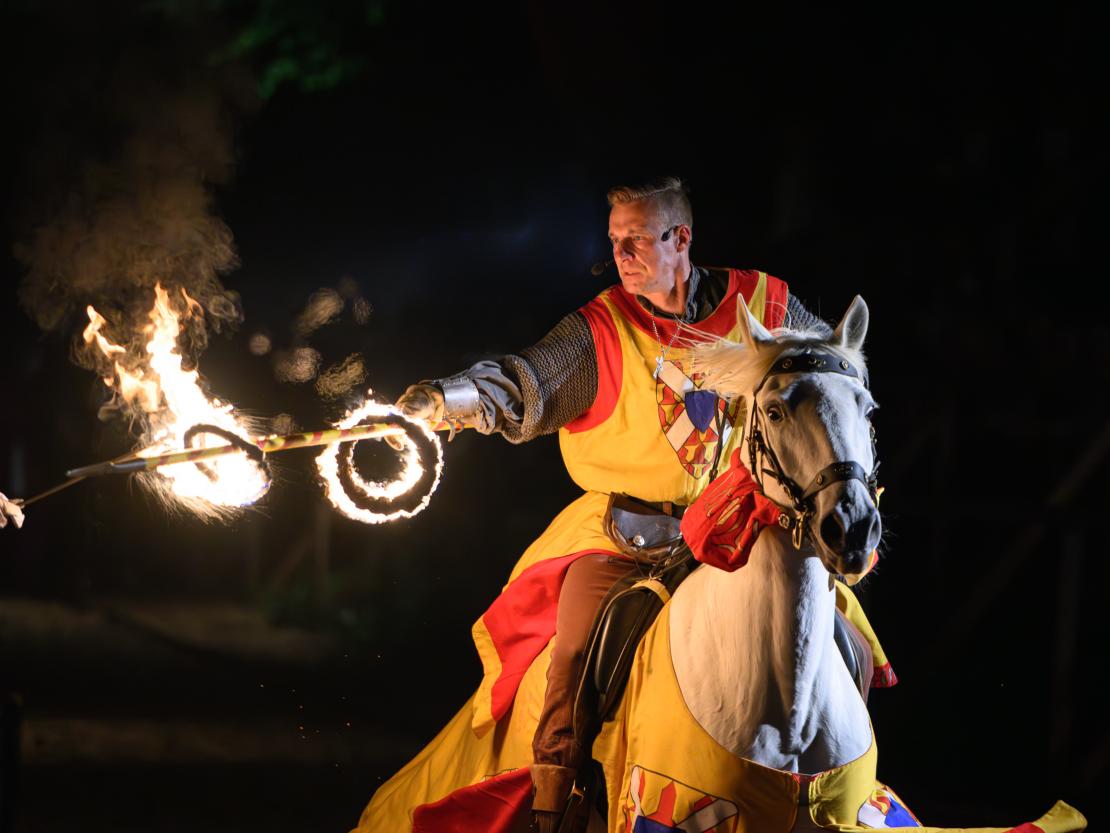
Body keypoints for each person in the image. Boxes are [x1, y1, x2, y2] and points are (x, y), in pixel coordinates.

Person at [394, 176, 849, 831]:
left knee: (833, 625)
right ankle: (556, 804)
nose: (623, 254)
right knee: (574, 655)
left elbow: (828, 371)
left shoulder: (764, 303)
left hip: (743, 523)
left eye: (636, 238)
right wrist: (451, 399)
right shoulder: (604, 326)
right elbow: (530, 380)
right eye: (615, 241)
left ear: (681, 238)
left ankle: (829, 789)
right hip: (629, 535)